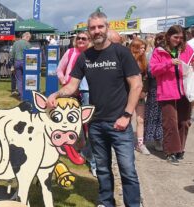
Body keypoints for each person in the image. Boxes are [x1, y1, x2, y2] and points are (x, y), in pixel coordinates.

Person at [47, 12, 142, 207]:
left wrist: (126, 115)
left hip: (120, 123)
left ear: (106, 28)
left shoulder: (120, 53)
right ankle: (106, 202)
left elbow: (137, 84)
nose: (97, 31)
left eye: (100, 27)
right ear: (89, 31)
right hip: (96, 123)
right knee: (103, 169)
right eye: (93, 28)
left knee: (128, 170)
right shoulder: (85, 57)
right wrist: (56, 94)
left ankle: (133, 204)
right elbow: (72, 86)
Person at [150, 25, 194, 165]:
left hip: (185, 91)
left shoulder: (187, 49)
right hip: (167, 92)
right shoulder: (159, 51)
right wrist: (169, 63)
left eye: (181, 38)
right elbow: (153, 70)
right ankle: (170, 151)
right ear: (169, 36)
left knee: (184, 122)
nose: (178, 40)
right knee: (170, 123)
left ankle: (180, 149)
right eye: (176, 37)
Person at [55, 31, 96, 176]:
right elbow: (59, 69)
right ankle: (73, 147)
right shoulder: (71, 52)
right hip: (70, 92)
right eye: (78, 38)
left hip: (85, 91)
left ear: (89, 40)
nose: (80, 40)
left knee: (86, 121)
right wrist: (63, 81)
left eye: (84, 38)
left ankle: (84, 150)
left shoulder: (93, 54)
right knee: (72, 121)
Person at [144, 33, 165, 152]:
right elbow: (150, 72)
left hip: (165, 88)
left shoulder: (170, 52)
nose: (162, 42)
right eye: (160, 39)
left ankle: (159, 138)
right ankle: (154, 139)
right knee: (153, 114)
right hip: (155, 88)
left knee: (162, 116)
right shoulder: (153, 53)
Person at [129, 39, 151, 155]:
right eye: (141, 48)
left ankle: (140, 144)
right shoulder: (127, 61)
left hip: (141, 95)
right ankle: (127, 143)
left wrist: (144, 90)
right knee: (128, 118)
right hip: (128, 95)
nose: (143, 50)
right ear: (135, 48)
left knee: (140, 120)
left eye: (144, 48)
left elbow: (146, 78)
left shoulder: (144, 61)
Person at [10, 32, 32, 98]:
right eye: (29, 38)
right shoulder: (28, 44)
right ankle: (27, 94)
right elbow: (31, 54)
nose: (29, 40)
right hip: (25, 62)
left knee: (19, 80)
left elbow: (12, 55)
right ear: (27, 37)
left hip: (17, 62)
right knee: (27, 78)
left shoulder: (15, 43)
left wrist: (12, 64)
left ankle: (22, 95)